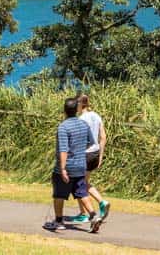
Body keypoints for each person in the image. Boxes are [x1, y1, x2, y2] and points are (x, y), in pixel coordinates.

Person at [43, 97, 98, 232]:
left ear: (65, 111)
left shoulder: (63, 127)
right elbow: (92, 142)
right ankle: (93, 216)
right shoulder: (83, 125)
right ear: (76, 110)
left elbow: (63, 149)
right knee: (82, 193)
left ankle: (59, 221)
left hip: (66, 167)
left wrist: (62, 169)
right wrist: (79, 148)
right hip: (80, 166)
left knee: (59, 195)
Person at [65, 94, 110, 226]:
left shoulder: (81, 119)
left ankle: (85, 213)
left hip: (84, 154)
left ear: (80, 105)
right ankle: (99, 204)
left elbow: (79, 139)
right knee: (83, 182)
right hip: (95, 153)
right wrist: (100, 156)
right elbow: (103, 137)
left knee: (78, 184)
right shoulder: (96, 116)